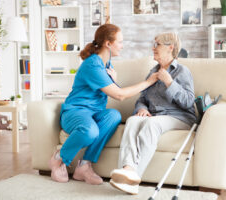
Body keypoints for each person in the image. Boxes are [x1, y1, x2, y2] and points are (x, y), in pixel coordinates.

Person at [49, 24, 158, 185]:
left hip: (94, 113)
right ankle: (59, 158)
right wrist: (148, 82)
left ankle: (84, 166)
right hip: (75, 112)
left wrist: (114, 80)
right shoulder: (92, 65)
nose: (122, 45)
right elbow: (120, 95)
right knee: (90, 131)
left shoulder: (106, 63)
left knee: (114, 115)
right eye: (120, 42)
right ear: (108, 43)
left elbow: (114, 90)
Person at [109, 32, 196, 194]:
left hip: (180, 117)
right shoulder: (152, 72)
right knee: (133, 121)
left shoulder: (182, 71)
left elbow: (188, 102)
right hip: (156, 116)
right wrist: (142, 108)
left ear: (170, 48)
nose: (153, 48)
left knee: (151, 123)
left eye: (157, 44)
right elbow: (143, 98)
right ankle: (127, 168)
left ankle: (134, 178)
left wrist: (169, 82)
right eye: (154, 44)